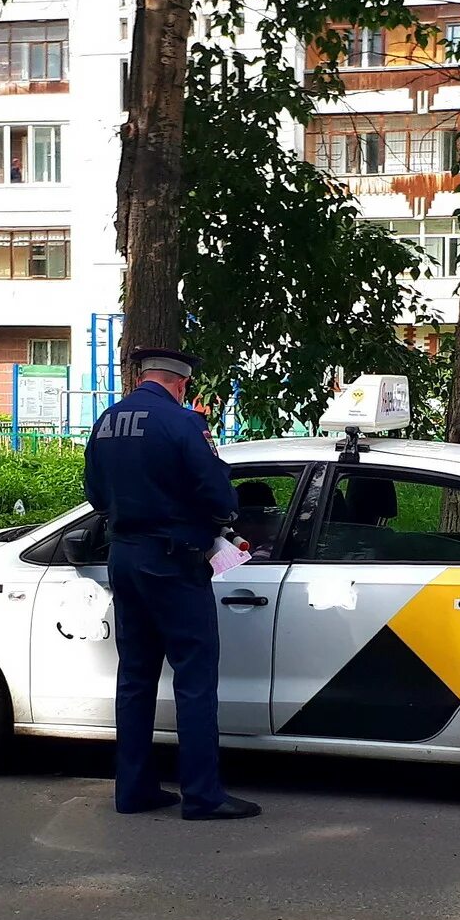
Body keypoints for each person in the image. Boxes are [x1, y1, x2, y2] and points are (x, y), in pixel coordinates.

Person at [83, 348, 261, 821]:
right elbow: (219, 493)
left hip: (125, 558)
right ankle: (203, 795)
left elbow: (96, 494)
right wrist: (220, 520)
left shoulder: (106, 422)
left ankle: (134, 789)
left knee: (136, 678)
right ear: (181, 383)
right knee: (195, 679)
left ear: (142, 377)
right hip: (175, 563)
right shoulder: (183, 423)